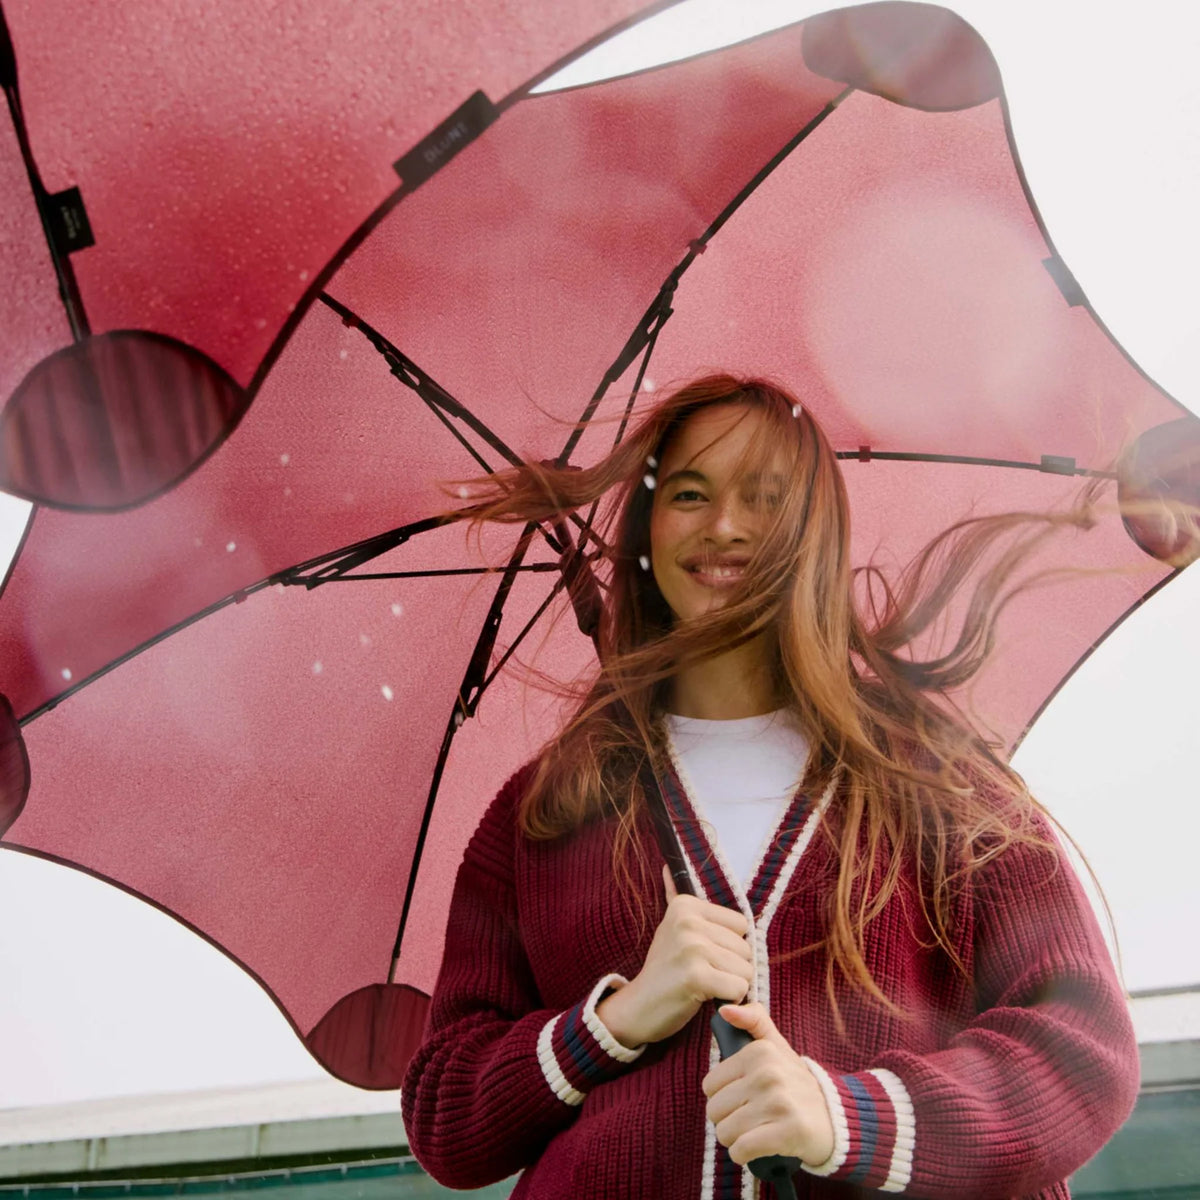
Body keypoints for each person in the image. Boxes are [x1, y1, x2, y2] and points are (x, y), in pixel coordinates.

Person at [401, 374, 1140, 1199]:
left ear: (814, 533)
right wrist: (609, 1023)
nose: (723, 527)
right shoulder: (542, 814)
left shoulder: (941, 783)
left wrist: (849, 1117)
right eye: (688, 493)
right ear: (645, 532)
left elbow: (1082, 1050)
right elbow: (444, 1120)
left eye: (764, 496)